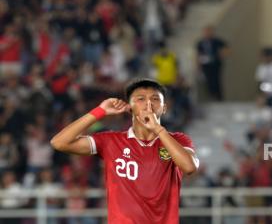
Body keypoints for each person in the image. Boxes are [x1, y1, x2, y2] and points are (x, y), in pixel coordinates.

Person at [50, 78, 199, 224]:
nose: (148, 104)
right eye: (140, 99)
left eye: (155, 99)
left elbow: (189, 167)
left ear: (164, 107)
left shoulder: (178, 141)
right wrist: (100, 111)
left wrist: (158, 130)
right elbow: (59, 142)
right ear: (129, 107)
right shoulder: (111, 140)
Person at [196, 26, 228, 101]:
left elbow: (226, 49)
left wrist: (221, 54)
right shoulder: (201, 43)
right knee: (208, 81)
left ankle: (219, 97)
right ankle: (211, 96)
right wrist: (198, 66)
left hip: (215, 64)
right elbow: (198, 55)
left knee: (216, 80)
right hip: (206, 65)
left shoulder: (216, 41)